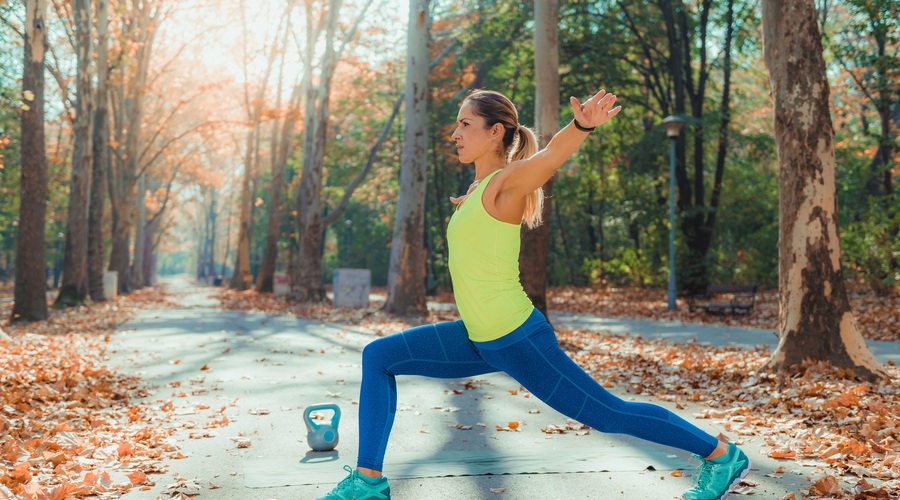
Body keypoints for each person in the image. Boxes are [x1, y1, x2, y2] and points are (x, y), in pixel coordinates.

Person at [316, 89, 750, 500]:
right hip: (478, 338)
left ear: (495, 131)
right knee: (378, 356)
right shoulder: (477, 191)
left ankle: (721, 455)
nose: (455, 134)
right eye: (455, 125)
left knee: (608, 413)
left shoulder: (507, 183)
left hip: (516, 338)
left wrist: (580, 127)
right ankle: (368, 483)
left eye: (465, 124)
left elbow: (552, 155)